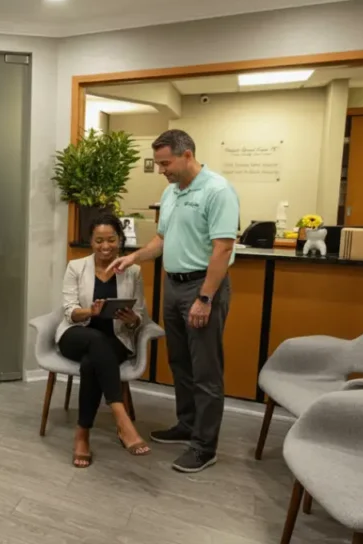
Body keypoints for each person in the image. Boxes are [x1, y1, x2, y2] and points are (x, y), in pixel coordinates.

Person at [110, 129, 239, 474]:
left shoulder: (217, 190)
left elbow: (223, 248)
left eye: (166, 163)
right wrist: (134, 257)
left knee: (206, 370)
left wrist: (205, 298)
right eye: (159, 163)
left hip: (203, 287)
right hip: (173, 285)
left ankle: (204, 447)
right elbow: (162, 239)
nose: (161, 170)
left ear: (187, 155)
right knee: (180, 362)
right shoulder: (170, 192)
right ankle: (187, 425)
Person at [56, 212, 151, 468]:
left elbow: (139, 316)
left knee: (92, 363)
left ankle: (82, 435)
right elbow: (69, 311)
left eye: (111, 240)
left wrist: (131, 319)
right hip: (77, 334)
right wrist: (90, 312)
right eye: (99, 241)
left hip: (115, 340)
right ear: (91, 241)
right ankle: (121, 416)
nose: (105, 246)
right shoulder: (76, 267)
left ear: (120, 240)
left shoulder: (133, 271)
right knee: (95, 341)